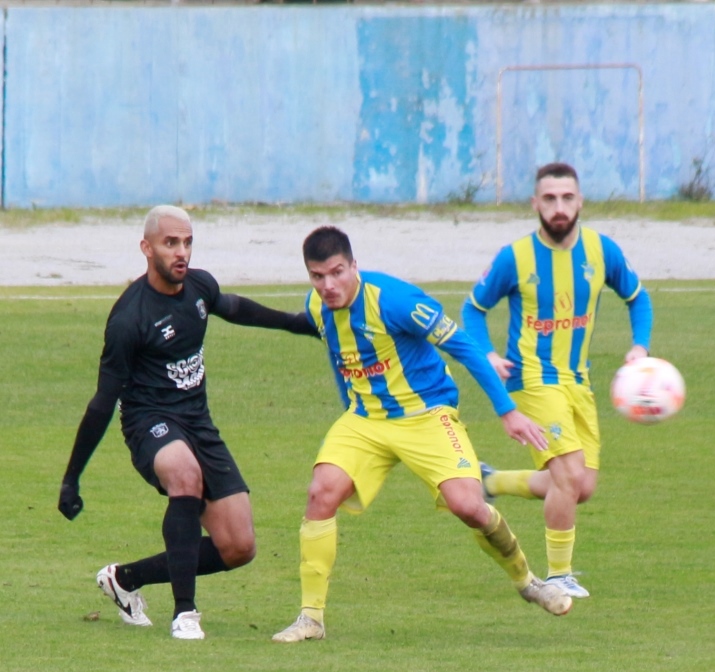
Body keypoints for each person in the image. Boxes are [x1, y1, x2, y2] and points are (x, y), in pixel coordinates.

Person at [272, 225, 572, 644]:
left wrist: (508, 411)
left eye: (337, 273)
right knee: (321, 493)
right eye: (317, 277)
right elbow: (342, 362)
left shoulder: (396, 300)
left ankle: (528, 581)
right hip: (365, 420)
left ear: (354, 265)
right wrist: (349, 417)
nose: (328, 285)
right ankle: (311, 619)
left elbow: (464, 346)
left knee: (467, 506)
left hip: (427, 414)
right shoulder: (318, 307)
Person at [58, 204, 319, 640]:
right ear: (147, 248)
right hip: (148, 424)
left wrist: (298, 324)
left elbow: (234, 307)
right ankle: (185, 613)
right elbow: (103, 402)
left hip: (198, 422)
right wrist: (71, 479)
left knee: (238, 546)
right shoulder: (129, 318)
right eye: (170, 243)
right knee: (184, 473)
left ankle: (123, 578)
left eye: (187, 242)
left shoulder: (199, 287)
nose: (182, 252)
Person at [461, 162, 653, 599]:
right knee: (567, 474)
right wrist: (487, 353)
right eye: (549, 198)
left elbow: (638, 298)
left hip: (577, 382)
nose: (559, 207)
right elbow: (473, 308)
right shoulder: (516, 257)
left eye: (567, 197)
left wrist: (640, 346)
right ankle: (558, 575)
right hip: (531, 380)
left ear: (580, 201)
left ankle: (491, 481)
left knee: (580, 487)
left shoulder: (602, 251)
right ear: (535, 204)